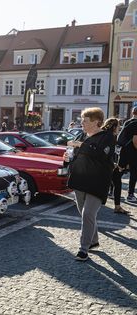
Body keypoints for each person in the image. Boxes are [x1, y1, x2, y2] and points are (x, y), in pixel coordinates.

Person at [65, 108, 115, 261]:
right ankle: (93, 241)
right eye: (82, 120)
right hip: (80, 180)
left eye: (85, 121)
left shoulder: (107, 137)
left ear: (96, 122)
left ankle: (83, 249)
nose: (82, 124)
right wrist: (68, 158)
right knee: (85, 214)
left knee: (88, 214)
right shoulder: (81, 135)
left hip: (97, 183)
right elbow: (75, 157)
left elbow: (100, 154)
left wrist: (80, 145)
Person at [101, 118, 129, 215]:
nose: (119, 128)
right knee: (107, 185)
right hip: (106, 166)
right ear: (114, 127)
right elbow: (105, 152)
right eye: (118, 126)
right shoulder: (109, 137)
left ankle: (117, 206)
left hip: (109, 165)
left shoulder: (109, 135)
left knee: (116, 183)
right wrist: (114, 164)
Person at [118, 106, 137, 202]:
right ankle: (130, 195)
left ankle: (110, 190)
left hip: (124, 150)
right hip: (133, 152)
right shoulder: (136, 124)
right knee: (134, 173)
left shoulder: (127, 122)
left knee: (119, 171)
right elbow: (135, 140)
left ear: (133, 113)